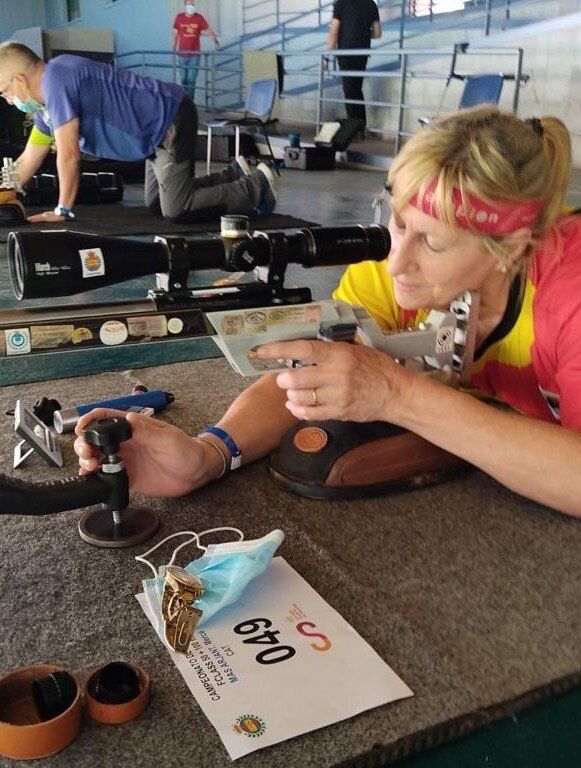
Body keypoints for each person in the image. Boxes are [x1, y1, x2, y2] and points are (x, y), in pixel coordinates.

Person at [74, 107, 581, 518]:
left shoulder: (569, 291)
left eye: (433, 243)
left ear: (512, 248)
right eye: (399, 224)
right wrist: (209, 455)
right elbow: (317, 370)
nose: (396, 262)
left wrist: (397, 394)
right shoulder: (390, 270)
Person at [0, 42, 276, 224]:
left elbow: (68, 156)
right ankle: (233, 175)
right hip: (153, 135)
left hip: (169, 120)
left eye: (5, 92)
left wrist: (63, 209)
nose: (9, 101)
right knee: (155, 203)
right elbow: (28, 159)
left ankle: (258, 186)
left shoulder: (56, 81)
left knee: (177, 208)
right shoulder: (46, 109)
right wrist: (3, 193)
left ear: (20, 80)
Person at [326, 0, 381, 132]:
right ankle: (360, 128)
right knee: (356, 90)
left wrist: (326, 57)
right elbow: (378, 33)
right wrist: (363, 34)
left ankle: (354, 130)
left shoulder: (341, 3)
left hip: (346, 54)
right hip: (362, 54)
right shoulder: (371, 4)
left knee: (350, 92)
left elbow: (334, 31)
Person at [173, 0, 220, 100]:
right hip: (182, 54)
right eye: (189, 4)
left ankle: (190, 102)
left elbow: (209, 30)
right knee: (183, 79)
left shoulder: (199, 18)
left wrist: (216, 42)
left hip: (194, 55)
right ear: (185, 5)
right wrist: (174, 47)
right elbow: (175, 33)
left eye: (193, 4)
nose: (191, 6)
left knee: (191, 80)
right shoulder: (179, 17)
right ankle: (184, 101)